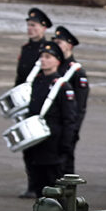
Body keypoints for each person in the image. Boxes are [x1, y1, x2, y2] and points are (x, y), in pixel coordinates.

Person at [25, 41, 76, 198]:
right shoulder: (38, 82)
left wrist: (65, 147)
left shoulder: (62, 86)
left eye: (48, 57)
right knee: (41, 190)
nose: (43, 60)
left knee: (55, 190)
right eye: (42, 56)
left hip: (54, 146)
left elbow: (69, 119)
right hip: (38, 143)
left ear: (57, 61)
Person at [50, 26, 87, 174]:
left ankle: (68, 194)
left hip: (67, 125)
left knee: (65, 162)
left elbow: (80, 105)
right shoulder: (54, 66)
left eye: (60, 42)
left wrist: (73, 130)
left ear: (69, 45)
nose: (56, 45)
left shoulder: (76, 72)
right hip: (53, 124)